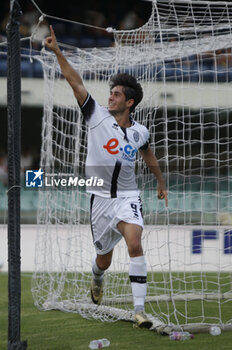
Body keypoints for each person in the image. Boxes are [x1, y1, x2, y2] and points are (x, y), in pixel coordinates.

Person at [44, 26, 168, 329]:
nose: (110, 97)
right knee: (104, 259)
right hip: (99, 198)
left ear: (130, 103)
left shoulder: (140, 132)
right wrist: (59, 53)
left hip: (127, 197)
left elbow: (148, 154)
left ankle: (140, 311)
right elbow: (76, 83)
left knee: (135, 243)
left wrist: (160, 181)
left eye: (116, 94)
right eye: (111, 93)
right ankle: (97, 279)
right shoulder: (96, 115)